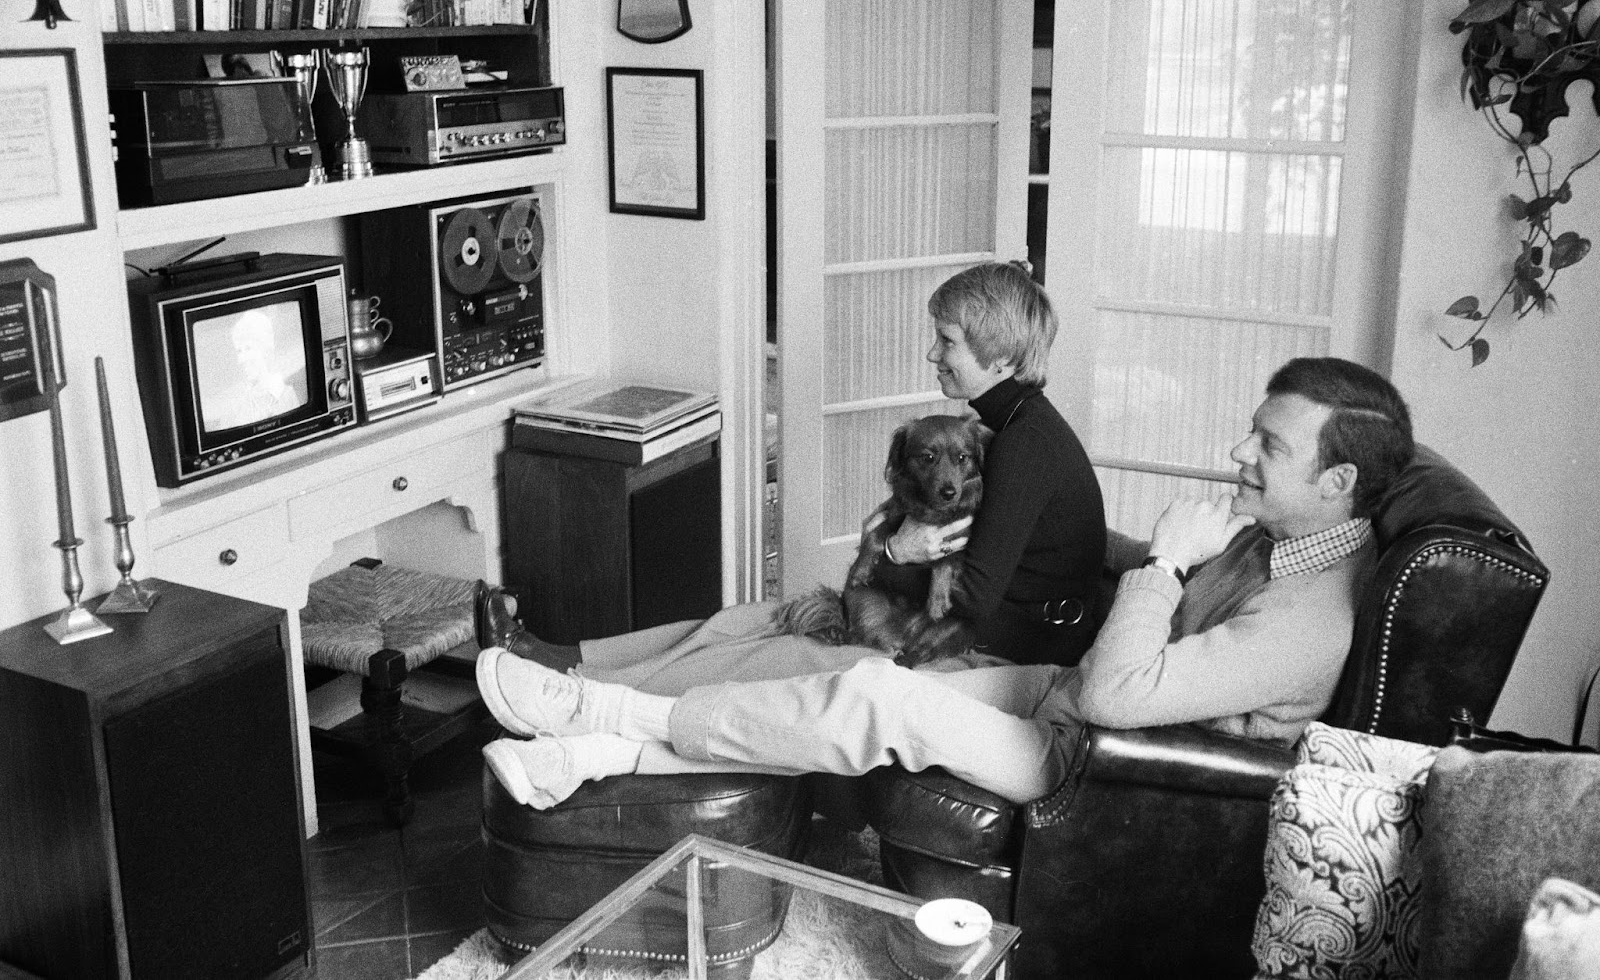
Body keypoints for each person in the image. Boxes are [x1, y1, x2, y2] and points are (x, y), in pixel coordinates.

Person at [474, 356, 1414, 811]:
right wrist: (1115, 546)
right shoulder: (1286, 538)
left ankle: (609, 711)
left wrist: (1166, 562)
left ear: (1336, 482)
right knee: (852, 688)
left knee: (877, 693)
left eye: (1270, 445)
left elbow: (1124, 692)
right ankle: (597, 752)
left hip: (1097, 760)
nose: (1238, 452)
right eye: (1253, 429)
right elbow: (1153, 595)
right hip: (1063, 697)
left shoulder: (1312, 617)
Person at [483, 260, 1107, 680]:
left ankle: (581, 688)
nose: (931, 353)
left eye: (948, 341)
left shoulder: (1026, 447)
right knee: (747, 618)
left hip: (995, 655)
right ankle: (564, 657)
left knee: (769, 657)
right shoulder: (1012, 428)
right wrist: (892, 555)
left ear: (998, 357)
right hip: (952, 625)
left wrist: (893, 554)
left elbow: (969, 597)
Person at [221, 310, 305, 427]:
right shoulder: (235, 406)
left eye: (248, 348)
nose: (241, 360)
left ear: (265, 350)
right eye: (239, 351)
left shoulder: (288, 395)